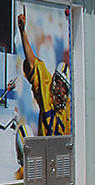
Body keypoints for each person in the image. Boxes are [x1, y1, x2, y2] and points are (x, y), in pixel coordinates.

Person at [18, 8, 71, 136]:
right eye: (58, 82)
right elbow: (32, 63)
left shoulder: (70, 109)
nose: (59, 89)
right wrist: (22, 32)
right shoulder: (46, 89)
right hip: (44, 152)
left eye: (63, 86)